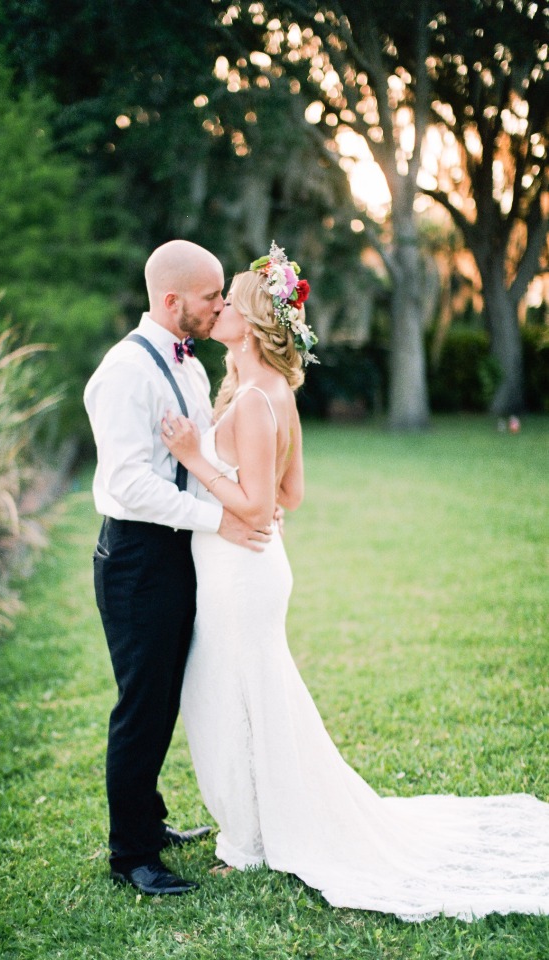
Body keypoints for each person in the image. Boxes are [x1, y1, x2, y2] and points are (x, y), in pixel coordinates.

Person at [161, 241, 549, 921]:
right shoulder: (271, 391)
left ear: (251, 322)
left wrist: (196, 457)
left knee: (230, 698)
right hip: (251, 567)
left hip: (241, 571)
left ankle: (250, 840)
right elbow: (294, 494)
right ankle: (258, 827)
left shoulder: (255, 399)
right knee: (248, 695)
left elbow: (256, 505)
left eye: (230, 303)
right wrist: (250, 491)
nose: (218, 308)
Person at [83, 239, 271, 897]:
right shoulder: (125, 373)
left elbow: (193, 460)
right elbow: (129, 484)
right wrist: (220, 519)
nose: (222, 305)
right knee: (141, 704)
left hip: (180, 555)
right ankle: (132, 853)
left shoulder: (186, 364)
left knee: (165, 697)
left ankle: (150, 820)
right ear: (172, 301)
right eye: (212, 295)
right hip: (137, 558)